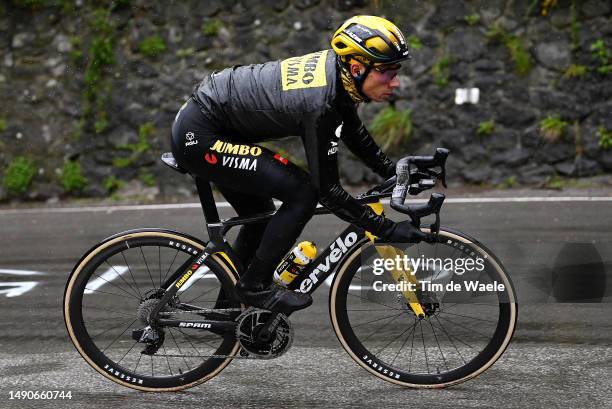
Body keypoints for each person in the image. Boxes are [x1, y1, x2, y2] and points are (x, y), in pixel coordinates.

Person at [171, 15, 428, 315]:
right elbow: (329, 192)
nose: (395, 81)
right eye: (387, 72)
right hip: (201, 136)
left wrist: (394, 171)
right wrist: (386, 228)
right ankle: (253, 288)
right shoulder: (320, 103)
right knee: (303, 192)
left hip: (210, 126)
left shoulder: (340, 76)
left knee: (261, 216)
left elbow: (352, 131)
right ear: (358, 67)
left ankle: (228, 312)